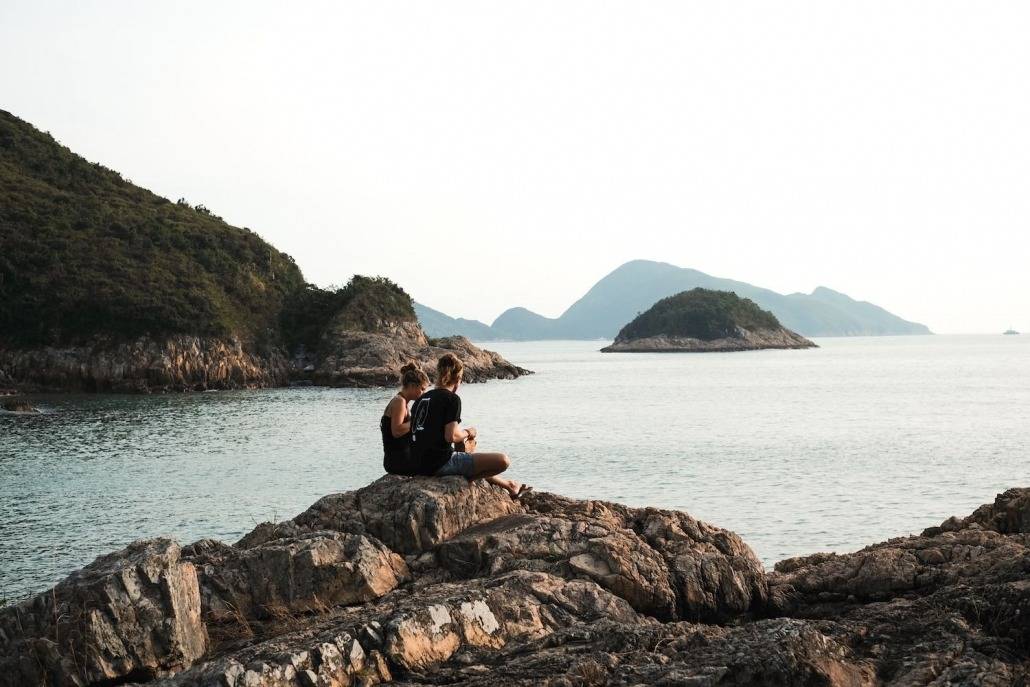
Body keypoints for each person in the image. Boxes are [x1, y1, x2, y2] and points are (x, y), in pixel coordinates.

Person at [410, 353, 530, 499]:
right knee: (502, 460)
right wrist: (469, 431)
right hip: (439, 464)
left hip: (417, 464)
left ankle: (509, 485)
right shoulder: (452, 399)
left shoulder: (421, 399)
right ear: (458, 379)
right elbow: (451, 436)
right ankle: (468, 479)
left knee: (465, 449)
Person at [381, 361, 430, 475]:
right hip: (398, 462)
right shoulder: (399, 401)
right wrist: (417, 421)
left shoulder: (404, 402)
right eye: (422, 389)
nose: (423, 393)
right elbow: (397, 431)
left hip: (401, 459)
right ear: (412, 386)